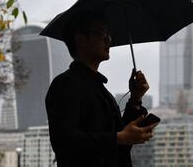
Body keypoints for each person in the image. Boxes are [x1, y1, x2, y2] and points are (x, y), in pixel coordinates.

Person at [45, 11, 158, 167]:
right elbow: (65, 141)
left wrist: (135, 99)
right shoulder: (66, 84)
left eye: (108, 34)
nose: (108, 39)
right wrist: (119, 138)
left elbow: (119, 139)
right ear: (80, 40)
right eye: (101, 33)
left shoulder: (98, 88)